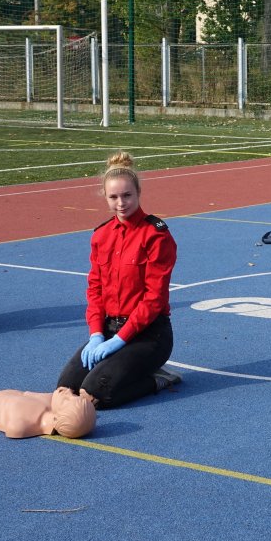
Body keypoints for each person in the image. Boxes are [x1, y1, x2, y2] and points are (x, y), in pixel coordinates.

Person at [56, 152, 180, 408]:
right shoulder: (101, 235)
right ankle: (123, 365)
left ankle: (158, 379)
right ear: (105, 197)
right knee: (65, 390)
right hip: (109, 330)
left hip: (149, 335)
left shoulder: (155, 235)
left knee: (93, 396)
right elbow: (95, 290)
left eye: (127, 196)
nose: (121, 203)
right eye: (113, 197)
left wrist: (120, 339)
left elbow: (154, 299)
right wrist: (95, 335)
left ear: (138, 194)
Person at [0, 387, 97, 439]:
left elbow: (14, 430)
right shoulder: (51, 400)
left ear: (58, 417)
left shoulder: (23, 424)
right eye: (74, 395)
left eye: (67, 399)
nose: (69, 391)